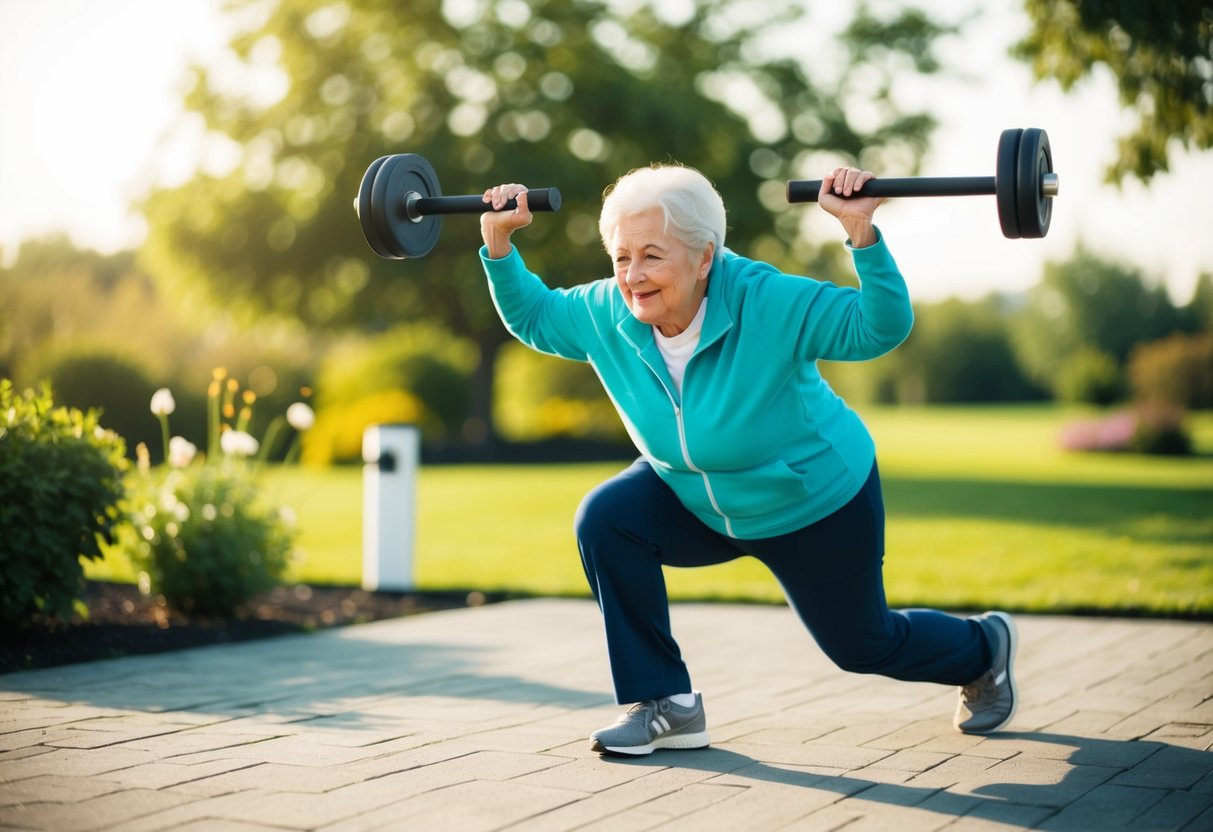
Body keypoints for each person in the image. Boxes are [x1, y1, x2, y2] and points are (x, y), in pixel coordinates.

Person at [478, 163, 1018, 757]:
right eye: (621, 257)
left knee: (864, 645)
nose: (633, 276)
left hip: (811, 501)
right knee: (607, 517)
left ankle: (984, 648)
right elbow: (533, 317)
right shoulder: (607, 312)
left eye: (653, 256)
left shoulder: (768, 301)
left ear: (704, 257)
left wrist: (861, 233)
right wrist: (500, 245)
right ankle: (665, 704)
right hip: (694, 499)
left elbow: (878, 328)